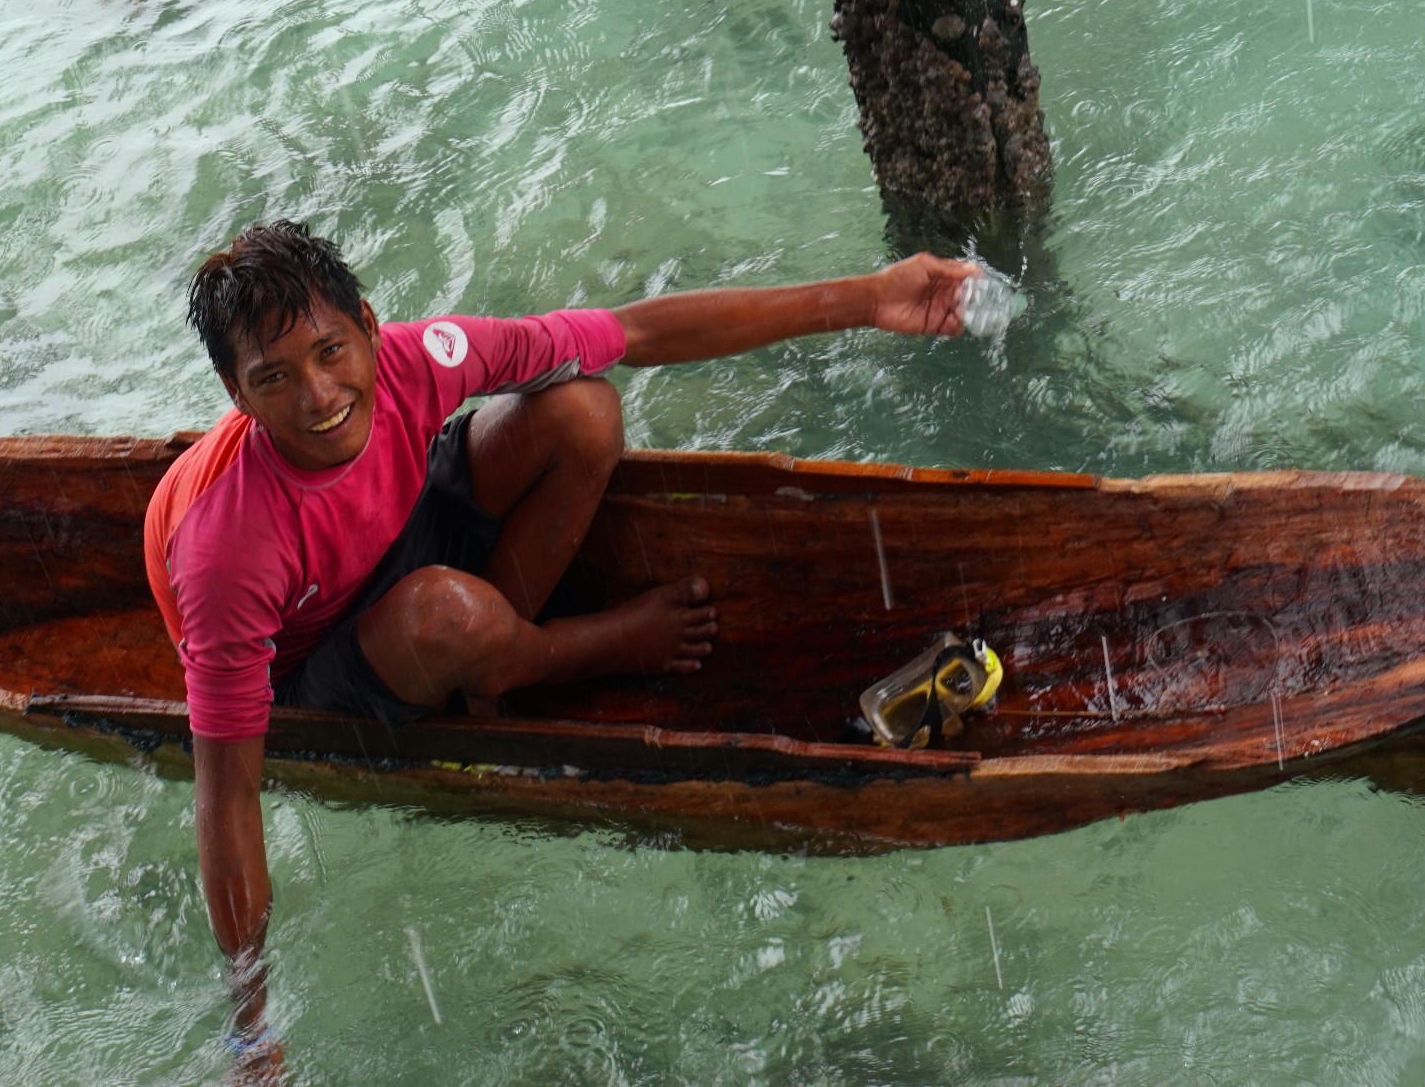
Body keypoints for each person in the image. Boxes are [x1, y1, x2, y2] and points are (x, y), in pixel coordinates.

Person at [144, 219, 976, 1052]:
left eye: (331, 352)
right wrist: (252, 1029)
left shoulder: (415, 359)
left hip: (401, 533)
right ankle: (571, 647)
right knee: (443, 613)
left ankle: (489, 661)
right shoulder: (230, 548)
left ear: (368, 324)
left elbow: (637, 332)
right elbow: (229, 794)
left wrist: (872, 297)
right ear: (236, 393)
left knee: (583, 408)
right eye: (275, 377)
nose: (319, 396)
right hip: (317, 660)